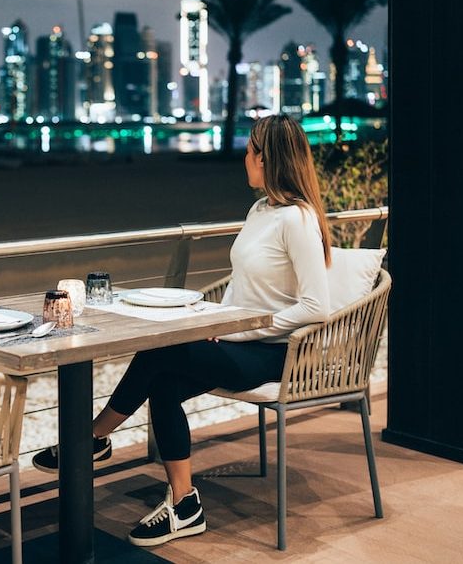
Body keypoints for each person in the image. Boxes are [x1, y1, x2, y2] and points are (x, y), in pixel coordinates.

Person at [32, 114, 332, 547]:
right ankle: (184, 504)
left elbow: (316, 307)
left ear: (268, 159)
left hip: (272, 353)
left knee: (161, 352)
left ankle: (91, 438)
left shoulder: (298, 219)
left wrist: (236, 332)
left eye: (251, 150)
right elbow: (244, 289)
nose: (244, 157)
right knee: (166, 384)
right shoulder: (261, 209)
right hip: (236, 339)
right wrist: (214, 322)